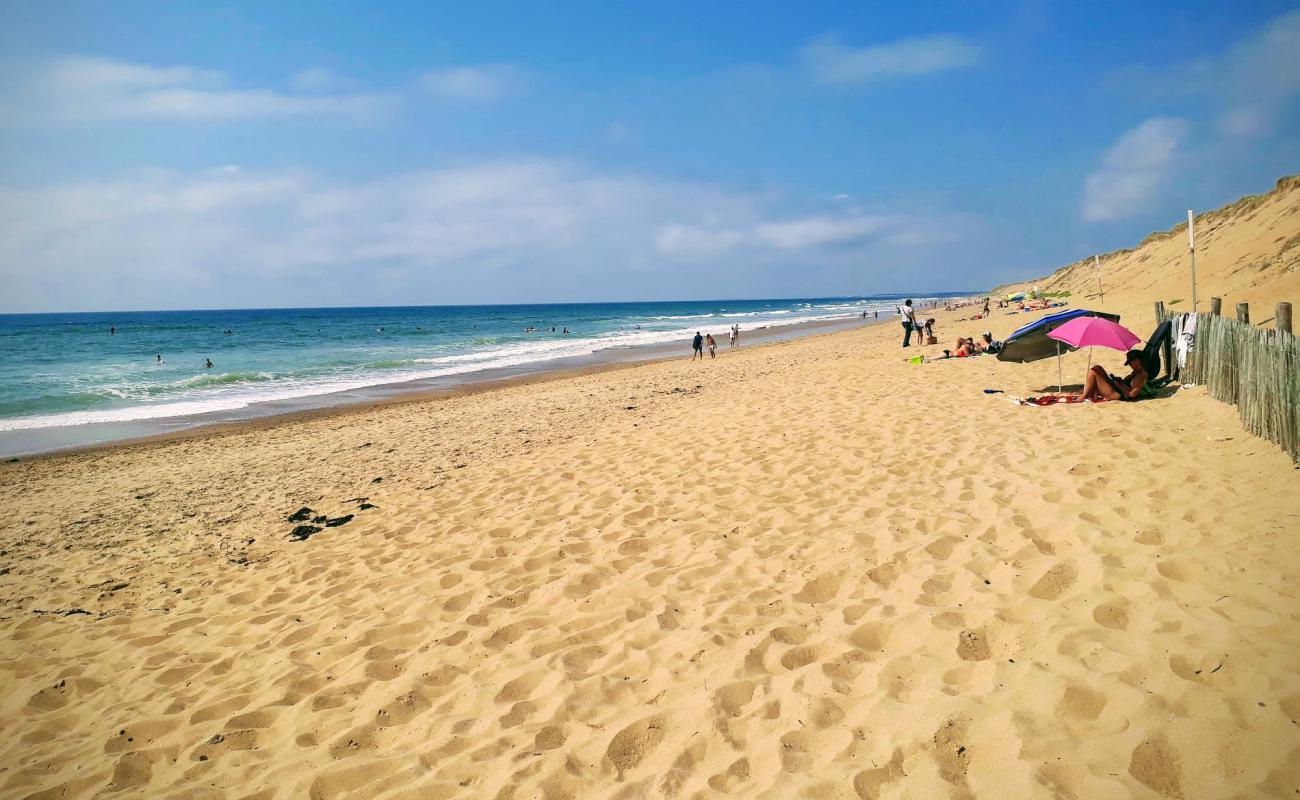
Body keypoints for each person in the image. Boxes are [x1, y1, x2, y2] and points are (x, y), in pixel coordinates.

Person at [1080, 350, 1150, 401]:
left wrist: (1119, 386)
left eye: (1130, 363)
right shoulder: (1136, 372)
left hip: (1119, 395)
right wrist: (1120, 381)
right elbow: (1128, 386)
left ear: (1137, 360)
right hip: (1117, 390)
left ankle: (1084, 396)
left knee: (1093, 372)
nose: (1130, 365)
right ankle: (1087, 393)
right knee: (1097, 368)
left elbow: (1132, 394)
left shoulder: (1142, 375)